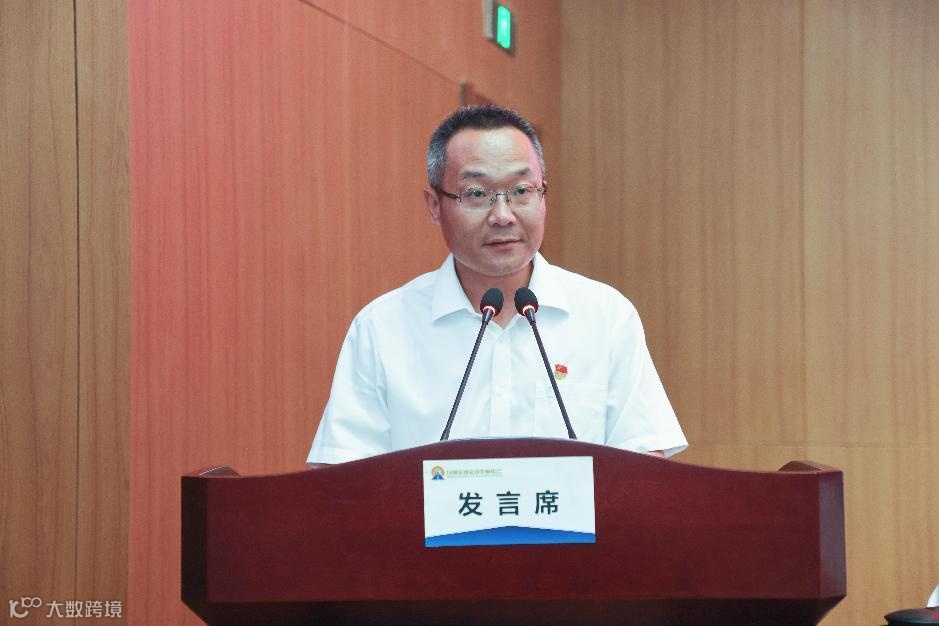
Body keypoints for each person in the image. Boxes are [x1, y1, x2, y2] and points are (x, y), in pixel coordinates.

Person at [307, 105, 686, 465]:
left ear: (543, 195)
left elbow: (643, 463)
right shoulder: (382, 327)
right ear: (435, 206)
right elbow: (343, 474)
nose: (503, 215)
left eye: (521, 191)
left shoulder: (606, 316)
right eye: (476, 194)